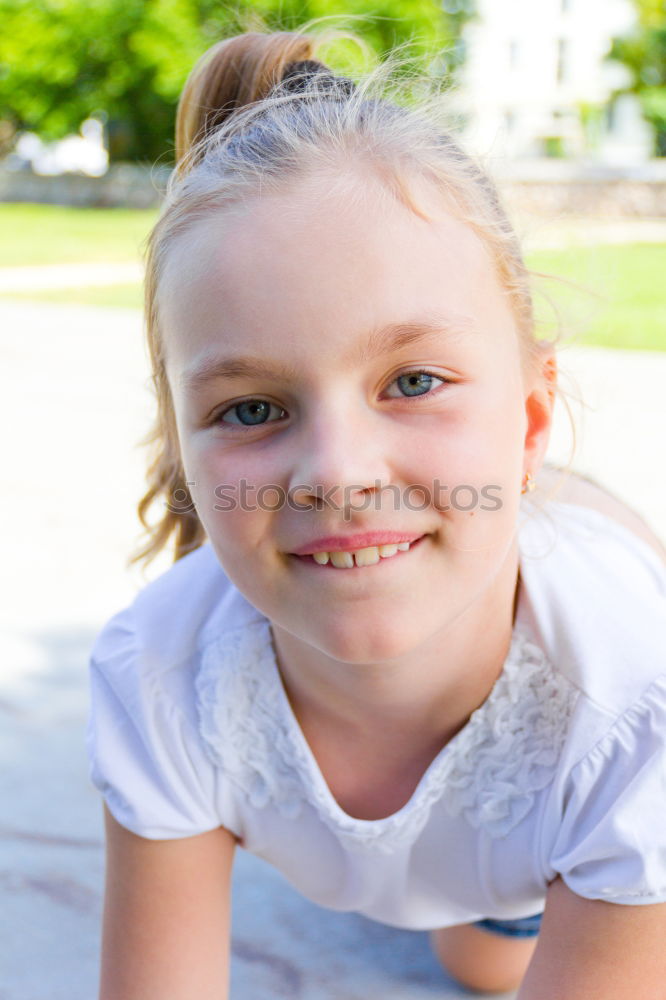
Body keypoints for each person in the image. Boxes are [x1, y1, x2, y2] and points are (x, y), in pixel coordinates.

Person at [86, 26, 666, 999]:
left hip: (559, 745)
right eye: (252, 408)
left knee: (489, 954)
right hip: (481, 805)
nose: (338, 474)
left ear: (530, 417)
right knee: (469, 939)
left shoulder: (633, 704)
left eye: (414, 379)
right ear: (184, 450)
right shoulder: (162, 678)